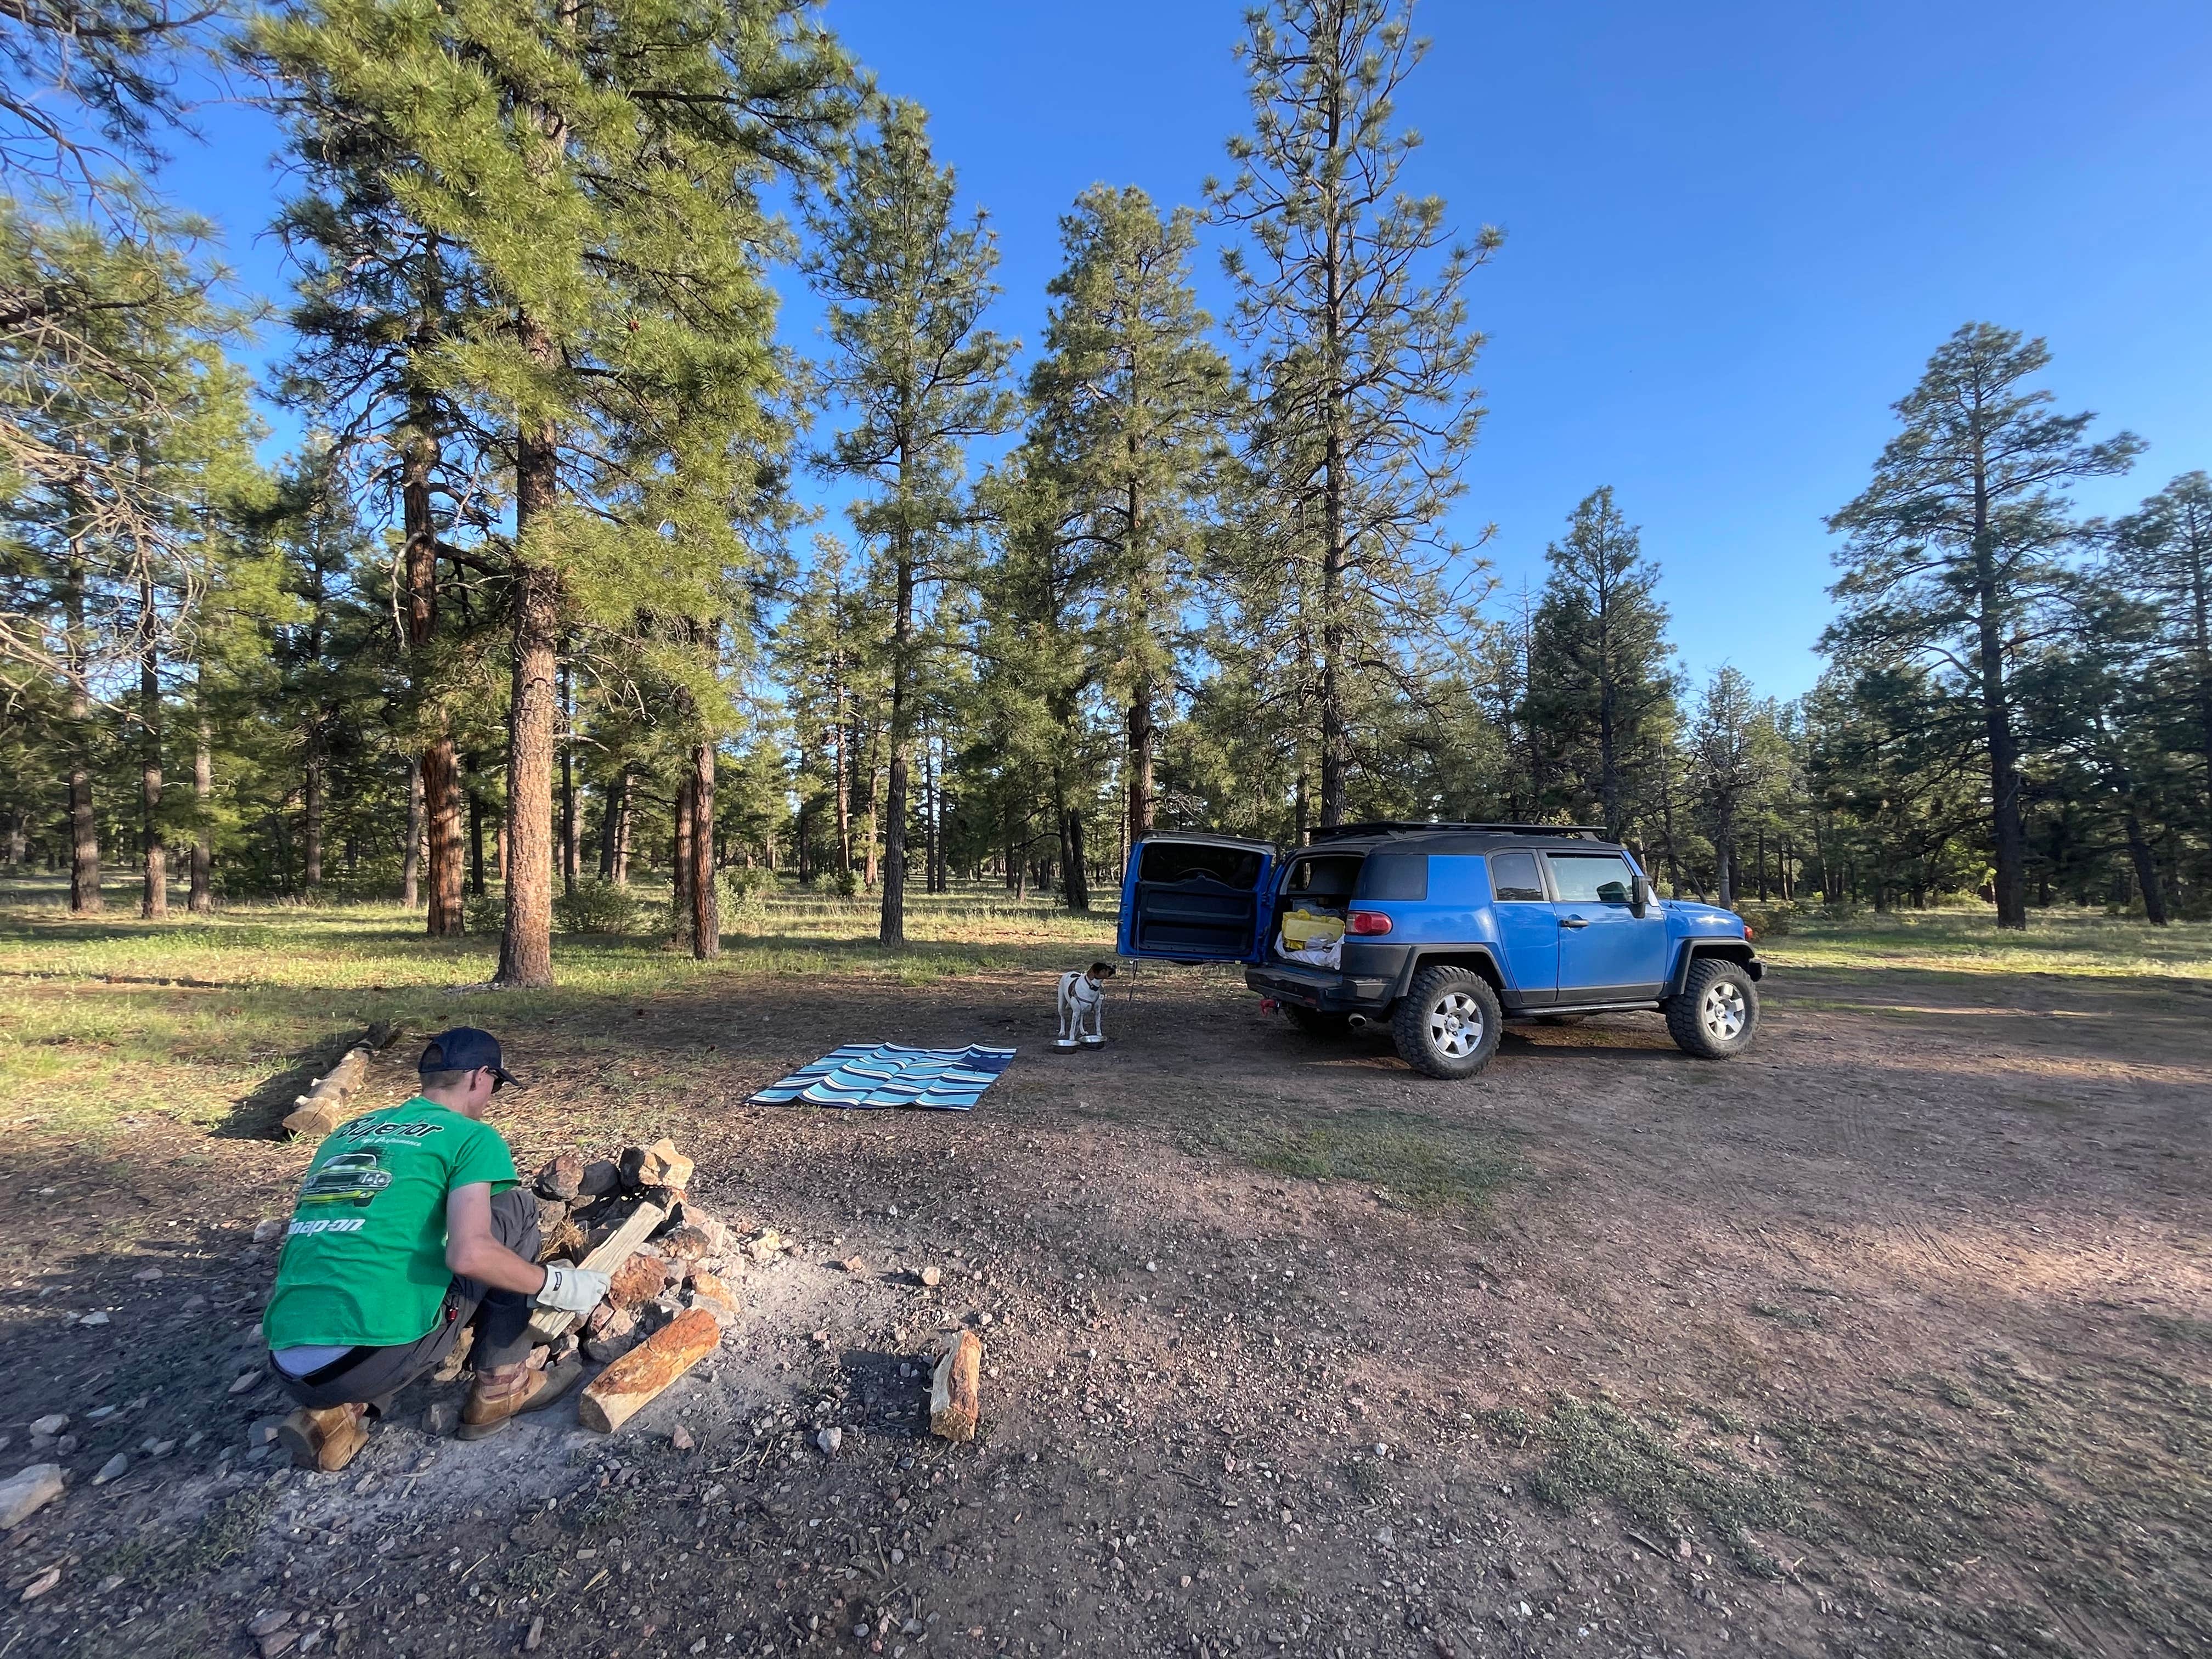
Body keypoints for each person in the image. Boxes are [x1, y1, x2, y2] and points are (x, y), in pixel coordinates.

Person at [261, 1028, 608, 1470]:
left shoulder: (348, 1133)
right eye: (496, 1085)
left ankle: (337, 1413)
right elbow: (469, 1255)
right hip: (367, 1360)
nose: (491, 1097)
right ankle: (502, 1384)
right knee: (515, 1208)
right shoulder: (469, 1136)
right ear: (480, 1077)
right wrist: (558, 1283)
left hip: (289, 1364)